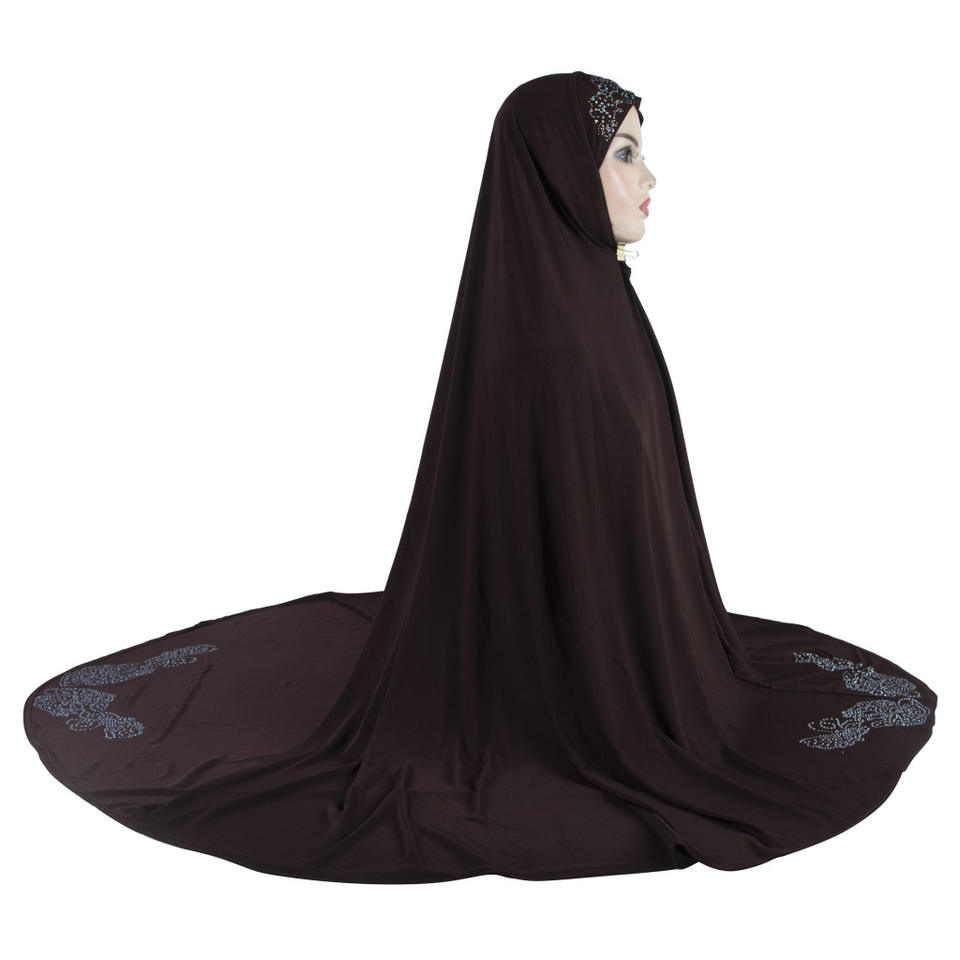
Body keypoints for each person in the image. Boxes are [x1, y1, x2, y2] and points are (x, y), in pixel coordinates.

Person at [22, 71, 937, 884]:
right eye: (623, 154)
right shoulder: (561, 338)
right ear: (556, 169)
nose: (650, 178)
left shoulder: (591, 297)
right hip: (552, 681)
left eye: (641, 153)